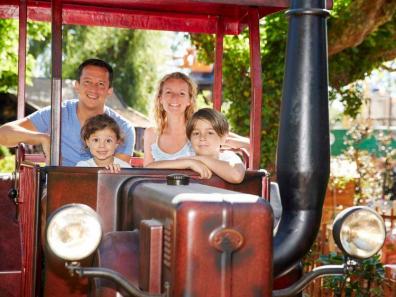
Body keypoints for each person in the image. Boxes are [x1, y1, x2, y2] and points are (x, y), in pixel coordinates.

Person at [0, 58, 135, 165]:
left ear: (109, 90)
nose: (93, 89)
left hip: (99, 192)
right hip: (56, 191)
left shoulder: (123, 128)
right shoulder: (57, 113)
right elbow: (3, 134)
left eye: (100, 84)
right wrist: (42, 138)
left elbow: (114, 180)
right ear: (77, 85)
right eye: (87, 82)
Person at [146, 108, 246, 183]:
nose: (202, 137)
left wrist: (200, 159)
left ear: (223, 138)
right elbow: (149, 168)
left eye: (210, 133)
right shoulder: (187, 158)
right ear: (190, 139)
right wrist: (189, 163)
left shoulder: (228, 157)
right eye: (196, 133)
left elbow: (236, 175)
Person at [143, 72, 197, 167]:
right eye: (168, 92)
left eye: (181, 93)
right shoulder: (151, 134)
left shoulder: (198, 132)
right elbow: (147, 172)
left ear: (189, 100)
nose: (175, 98)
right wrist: (188, 163)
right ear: (160, 98)